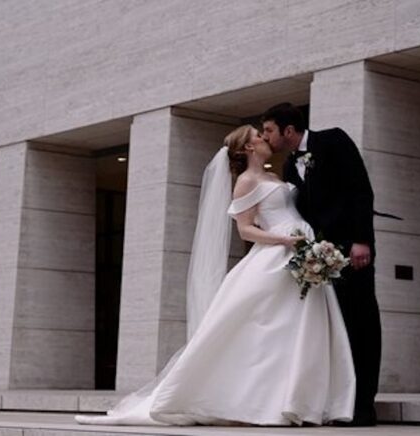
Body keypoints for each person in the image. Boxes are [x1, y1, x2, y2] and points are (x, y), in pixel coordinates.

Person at [75, 125, 356, 427]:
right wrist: (285, 241)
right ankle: (259, 401)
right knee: (265, 326)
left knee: (294, 328)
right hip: (277, 256)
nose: (265, 138)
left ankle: (293, 400)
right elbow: (246, 229)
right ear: (248, 148)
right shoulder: (246, 182)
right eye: (259, 136)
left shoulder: (277, 176)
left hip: (301, 255)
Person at [261, 102, 381, 426]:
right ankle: (339, 402)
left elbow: (360, 190)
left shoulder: (333, 141)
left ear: (288, 130)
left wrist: (361, 240)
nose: (265, 137)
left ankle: (364, 406)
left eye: (269, 130)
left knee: (361, 322)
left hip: (351, 248)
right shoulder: (288, 167)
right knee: (334, 329)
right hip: (318, 257)